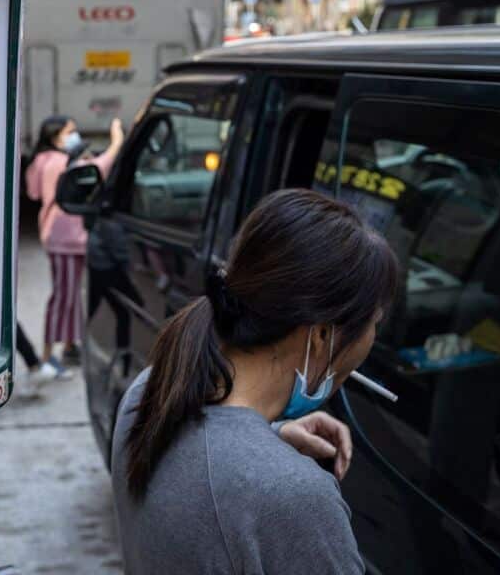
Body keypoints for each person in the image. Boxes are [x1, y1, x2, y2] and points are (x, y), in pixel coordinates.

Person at [112, 188, 400, 574]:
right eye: (373, 323)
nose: (371, 338)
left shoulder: (152, 389)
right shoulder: (294, 498)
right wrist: (266, 459)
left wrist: (269, 439)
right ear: (321, 336)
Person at [25, 115, 124, 369]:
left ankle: (69, 347)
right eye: (70, 131)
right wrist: (116, 140)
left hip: (57, 237)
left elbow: (33, 192)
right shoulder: (64, 163)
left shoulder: (40, 161)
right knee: (64, 297)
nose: (75, 135)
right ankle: (47, 357)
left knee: (69, 295)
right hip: (68, 238)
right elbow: (102, 167)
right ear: (56, 136)